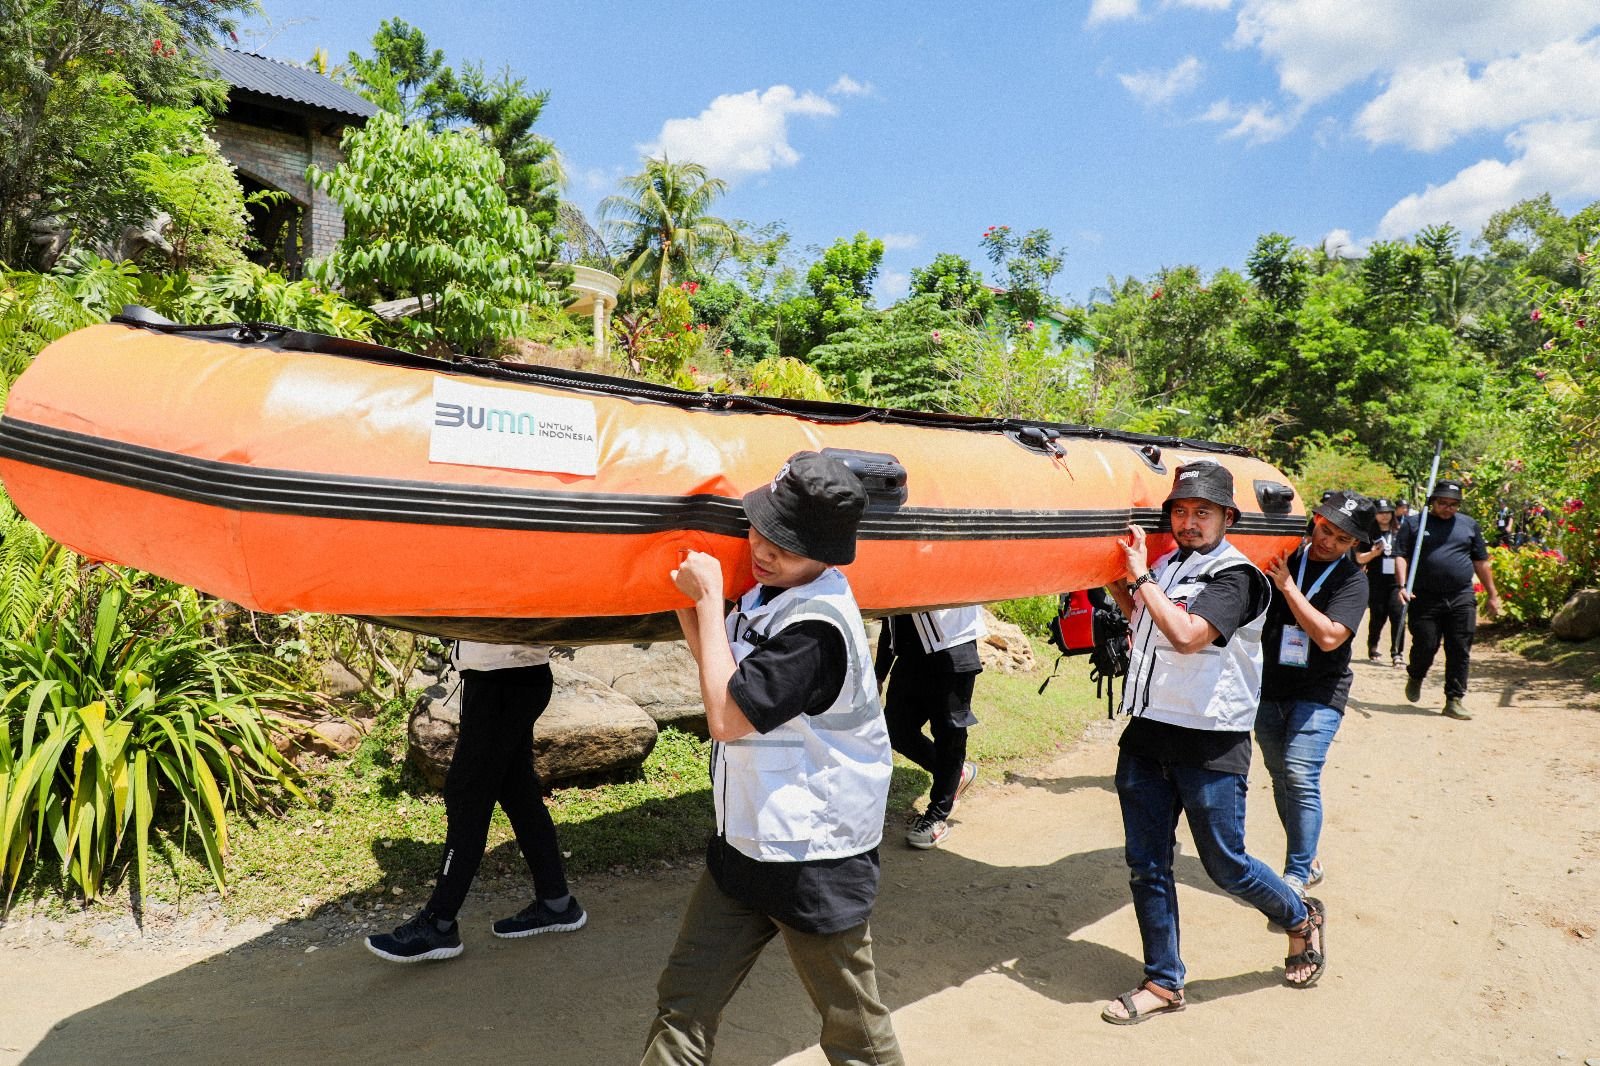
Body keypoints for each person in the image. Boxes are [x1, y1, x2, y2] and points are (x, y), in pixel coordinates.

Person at [641, 451, 903, 1065]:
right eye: (761, 528)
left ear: (826, 552)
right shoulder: (770, 594)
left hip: (814, 860)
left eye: (784, 543)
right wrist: (688, 599)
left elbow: (727, 719)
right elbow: (723, 670)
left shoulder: (816, 629)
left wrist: (708, 602)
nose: (762, 548)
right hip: (745, 845)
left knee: (852, 1031)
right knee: (682, 1003)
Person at [1099, 460, 1327, 1026]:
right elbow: (1144, 622)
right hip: (1149, 732)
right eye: (1179, 510)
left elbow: (1185, 635)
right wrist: (1116, 577)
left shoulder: (1238, 577)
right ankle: (1163, 980)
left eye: (1203, 511)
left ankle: (1299, 915)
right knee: (1146, 864)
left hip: (1210, 742)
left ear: (1228, 516)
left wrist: (1139, 579)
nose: (1189, 521)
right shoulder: (1167, 566)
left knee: (1225, 864)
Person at [366, 641, 584, 963]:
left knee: (467, 794)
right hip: (506, 678)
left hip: (503, 681)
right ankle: (557, 903)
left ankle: (438, 924)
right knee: (517, 790)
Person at [1255, 491, 1373, 900]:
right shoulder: (1284, 552)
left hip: (1321, 692)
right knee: (1280, 776)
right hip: (1269, 687)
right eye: (1326, 530)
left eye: (1342, 539)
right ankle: (1309, 857)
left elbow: (1327, 637)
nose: (1329, 542)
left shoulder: (1353, 581)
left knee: (1301, 776)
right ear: (1316, 519)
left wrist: (1288, 588)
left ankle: (1297, 875)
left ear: (1354, 545)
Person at [1393, 479, 1503, 720]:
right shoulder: (1414, 524)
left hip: (1461, 595)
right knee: (1426, 644)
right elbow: (1400, 555)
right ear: (1433, 502)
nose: (1448, 508)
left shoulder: (1469, 526)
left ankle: (1454, 699)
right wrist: (1402, 585)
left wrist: (1493, 595)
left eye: (1454, 504)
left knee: (1459, 648)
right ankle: (1416, 674)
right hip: (1424, 597)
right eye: (1443, 503)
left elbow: (1481, 562)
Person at [875, 607, 984, 849]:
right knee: (895, 728)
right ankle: (955, 776)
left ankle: (936, 817)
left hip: (952, 650)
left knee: (949, 735)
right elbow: (891, 617)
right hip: (910, 659)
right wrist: (879, 673)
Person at [1355, 498, 1404, 666]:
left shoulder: (1400, 532)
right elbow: (1359, 558)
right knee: (1378, 617)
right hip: (1376, 581)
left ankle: (1397, 652)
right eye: (1380, 513)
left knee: (1398, 616)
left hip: (1397, 582)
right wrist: (1373, 554)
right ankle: (1373, 646)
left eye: (1388, 512)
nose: (1384, 516)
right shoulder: (1368, 534)